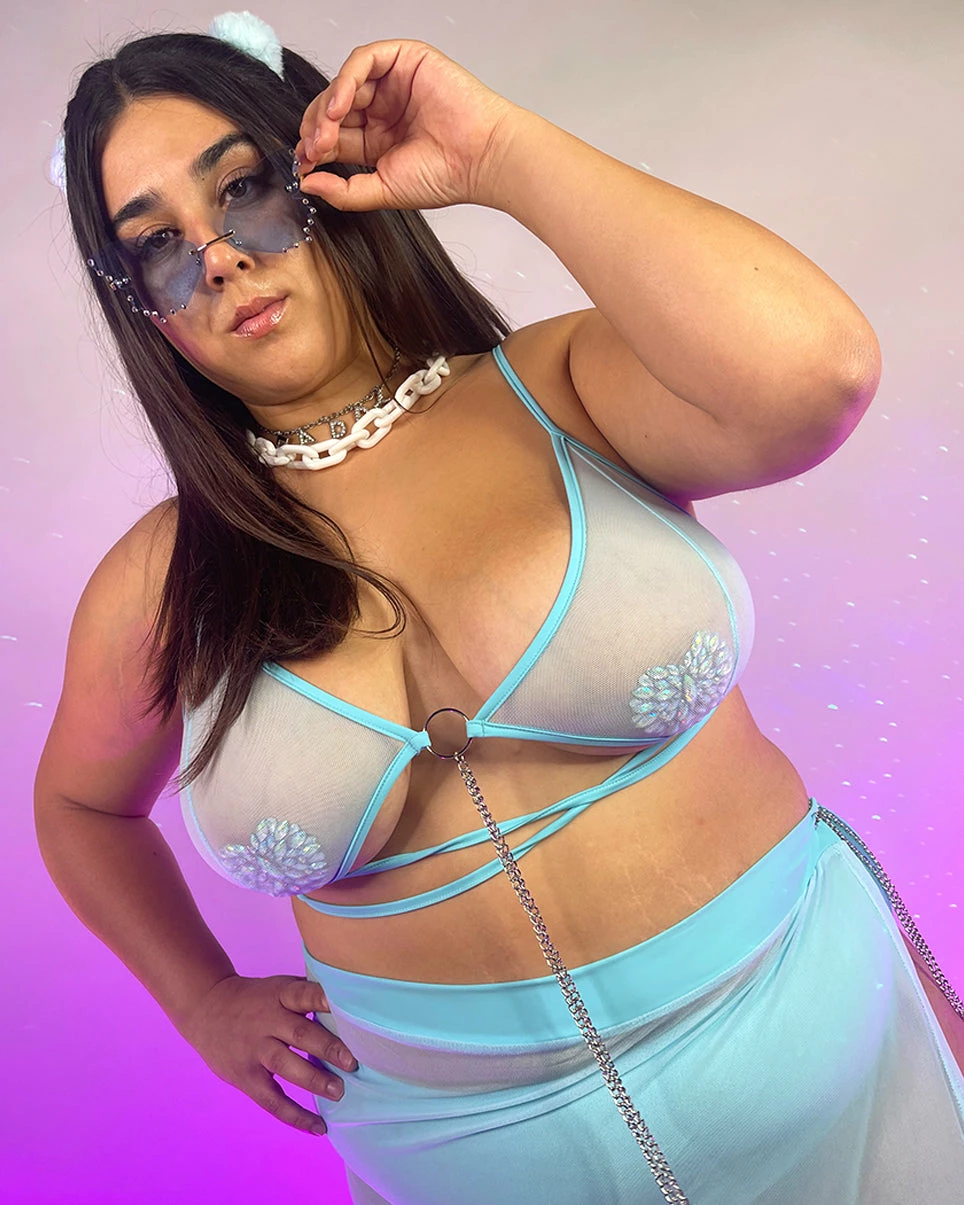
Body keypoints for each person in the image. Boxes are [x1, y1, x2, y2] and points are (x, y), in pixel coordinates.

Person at [35, 14, 964, 1204]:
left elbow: (814, 372)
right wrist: (199, 997)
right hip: (461, 1153)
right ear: (141, 305)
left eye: (245, 190)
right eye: (158, 245)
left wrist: (499, 154)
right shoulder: (163, 582)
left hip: (827, 1041)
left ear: (324, 181)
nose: (217, 259)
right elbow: (79, 804)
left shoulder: (560, 391)